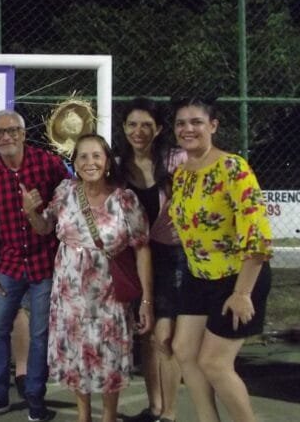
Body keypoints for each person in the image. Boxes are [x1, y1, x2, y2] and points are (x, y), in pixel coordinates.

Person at [23, 133, 154, 422]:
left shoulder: (125, 200)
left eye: (96, 155)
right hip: (69, 295)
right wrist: (31, 212)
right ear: (75, 163)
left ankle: (108, 417)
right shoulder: (65, 192)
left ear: (107, 162)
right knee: (75, 356)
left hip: (109, 295)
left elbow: (142, 248)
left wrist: (146, 300)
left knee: (108, 355)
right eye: (82, 156)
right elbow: (44, 227)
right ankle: (84, 416)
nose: (89, 162)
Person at [168, 98, 273, 422]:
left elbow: (257, 233)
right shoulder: (182, 173)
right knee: (184, 352)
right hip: (198, 276)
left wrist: (242, 293)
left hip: (237, 277)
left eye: (196, 122)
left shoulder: (233, 168)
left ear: (213, 125)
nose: (188, 129)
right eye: (181, 123)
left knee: (214, 363)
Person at [0, 110, 69, 422]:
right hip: (8, 266)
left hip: (45, 263)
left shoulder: (50, 165)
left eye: (12, 130)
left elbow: (68, 206)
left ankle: (36, 400)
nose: (5, 137)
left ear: (24, 134)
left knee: (40, 334)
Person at [118, 98, 187, 422]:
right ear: (124, 128)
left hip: (172, 254)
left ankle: (170, 413)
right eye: (132, 124)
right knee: (145, 335)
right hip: (134, 259)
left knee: (165, 337)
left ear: (159, 129)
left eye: (147, 124)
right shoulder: (117, 168)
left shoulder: (177, 161)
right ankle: (155, 406)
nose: (139, 131)